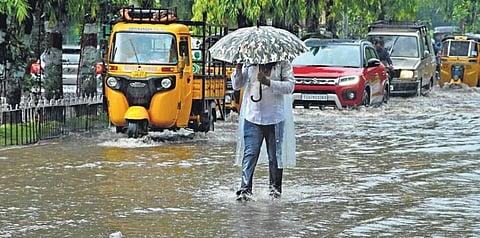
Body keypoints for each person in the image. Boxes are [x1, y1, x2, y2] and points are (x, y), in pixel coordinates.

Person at [231, 60, 296, 201]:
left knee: (274, 157)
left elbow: (290, 87)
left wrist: (269, 82)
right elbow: (237, 85)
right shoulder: (249, 63)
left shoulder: (282, 64)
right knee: (250, 154)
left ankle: (275, 191)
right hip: (252, 116)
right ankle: (245, 189)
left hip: (275, 118)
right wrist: (238, 68)